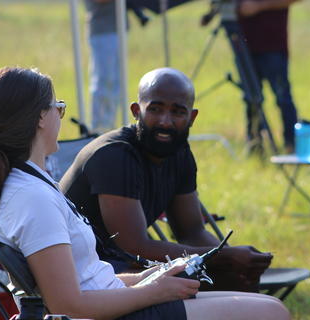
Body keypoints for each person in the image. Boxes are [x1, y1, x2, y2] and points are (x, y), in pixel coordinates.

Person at [0, 67, 291, 320]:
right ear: (40, 118)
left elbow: (87, 280)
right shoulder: (32, 199)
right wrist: (152, 292)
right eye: (57, 107)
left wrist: (146, 277)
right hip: (108, 315)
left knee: (271, 305)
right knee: (271, 314)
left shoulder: (29, 185)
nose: (61, 116)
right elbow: (67, 304)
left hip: (114, 302)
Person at [61, 67, 274, 293]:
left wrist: (235, 261)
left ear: (192, 117)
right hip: (87, 275)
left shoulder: (178, 152)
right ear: (136, 111)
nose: (165, 121)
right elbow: (135, 248)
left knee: (234, 279)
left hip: (125, 267)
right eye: (155, 109)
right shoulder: (115, 155)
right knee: (214, 279)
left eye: (178, 112)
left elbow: (191, 231)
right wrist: (224, 257)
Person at [237, 0, 300, 153]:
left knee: (283, 98)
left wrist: (258, 5)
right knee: (250, 99)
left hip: (273, 46)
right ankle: (255, 146)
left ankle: (291, 146)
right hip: (243, 46)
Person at [84, 0, 120, 132]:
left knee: (116, 83)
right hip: (103, 30)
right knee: (104, 81)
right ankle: (98, 128)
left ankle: (110, 125)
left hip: (117, 28)